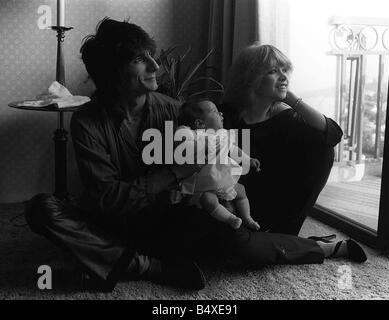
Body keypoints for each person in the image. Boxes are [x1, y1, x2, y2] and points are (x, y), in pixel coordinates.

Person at [24, 19, 366, 293]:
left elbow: (217, 163)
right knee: (42, 209)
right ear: (113, 72)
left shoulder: (176, 112)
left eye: (151, 55)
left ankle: (123, 261)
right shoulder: (87, 121)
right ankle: (148, 267)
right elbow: (107, 199)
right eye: (141, 59)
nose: (156, 65)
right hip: (115, 222)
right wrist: (175, 171)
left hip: (170, 220)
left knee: (225, 230)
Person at [223, 43, 344, 236]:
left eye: (285, 70)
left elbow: (333, 134)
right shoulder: (225, 115)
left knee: (323, 148)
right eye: (273, 71)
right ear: (250, 77)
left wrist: (293, 100)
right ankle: (311, 247)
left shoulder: (286, 118)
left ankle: (285, 236)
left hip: (273, 204)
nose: (283, 76)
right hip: (231, 203)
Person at [173, 100, 261, 230]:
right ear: (199, 123)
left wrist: (248, 159)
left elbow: (233, 149)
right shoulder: (192, 134)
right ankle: (230, 218)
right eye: (214, 111)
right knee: (208, 200)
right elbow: (181, 141)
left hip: (222, 178)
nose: (220, 113)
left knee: (241, 190)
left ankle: (247, 218)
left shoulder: (223, 134)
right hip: (202, 184)